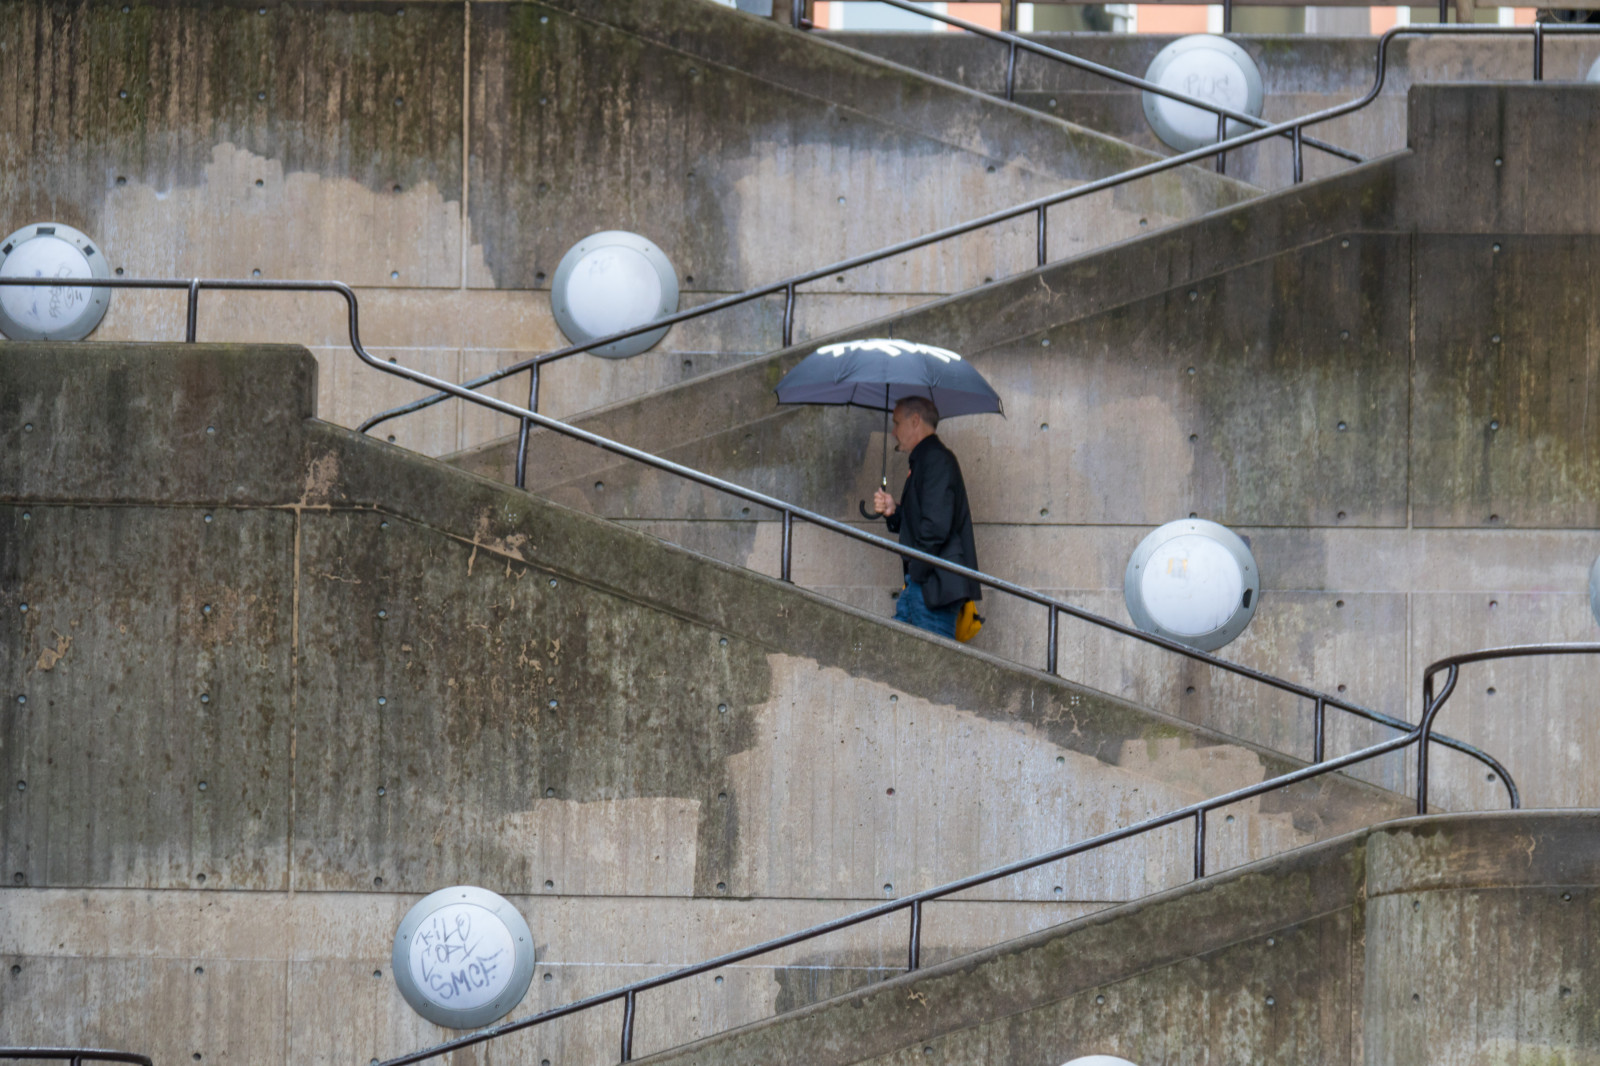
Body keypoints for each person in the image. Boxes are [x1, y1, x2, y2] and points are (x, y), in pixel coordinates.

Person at [871, 396, 980, 638]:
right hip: (924, 584)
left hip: (932, 587)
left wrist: (917, 573)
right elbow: (924, 521)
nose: (894, 431)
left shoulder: (936, 459)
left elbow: (936, 526)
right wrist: (894, 510)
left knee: (933, 669)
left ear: (915, 421)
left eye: (897, 423)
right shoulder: (926, 459)